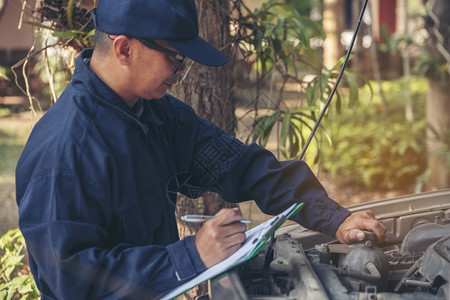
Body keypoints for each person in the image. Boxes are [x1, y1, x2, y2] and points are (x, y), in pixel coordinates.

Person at [16, 0, 386, 298]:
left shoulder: (157, 115)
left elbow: (240, 166)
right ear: (124, 48)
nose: (181, 73)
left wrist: (333, 217)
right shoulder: (67, 150)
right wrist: (190, 257)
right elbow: (71, 283)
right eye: (174, 59)